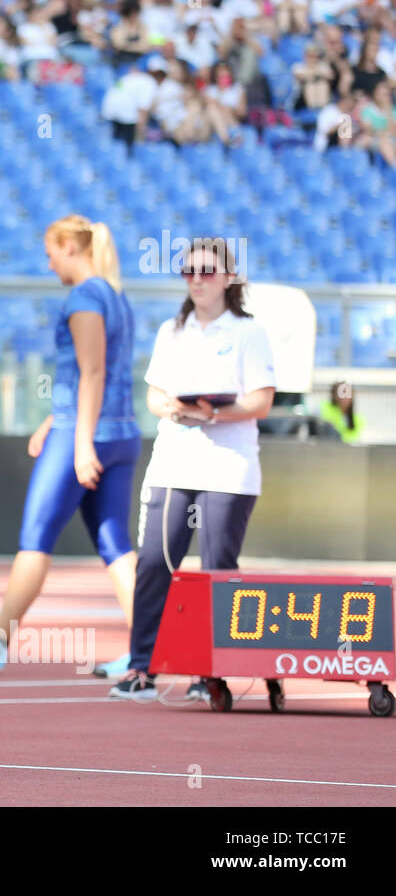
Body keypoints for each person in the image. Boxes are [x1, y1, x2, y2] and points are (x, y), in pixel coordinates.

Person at [0, 216, 141, 674]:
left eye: (51, 254)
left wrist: (81, 441)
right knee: (115, 546)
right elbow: (98, 369)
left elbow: (92, 371)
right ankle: (146, 652)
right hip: (119, 433)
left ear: (69, 246)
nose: (49, 265)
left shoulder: (86, 296)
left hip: (86, 434)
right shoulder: (117, 297)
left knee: (35, 540)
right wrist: (53, 420)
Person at [109, 240, 275, 701]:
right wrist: (177, 409)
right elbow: (155, 396)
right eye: (188, 270)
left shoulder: (248, 331)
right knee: (154, 566)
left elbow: (261, 400)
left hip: (228, 468)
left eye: (206, 270)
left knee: (218, 571)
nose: (197, 278)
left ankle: (211, 673)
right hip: (172, 465)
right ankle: (141, 667)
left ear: (229, 277)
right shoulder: (172, 330)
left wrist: (215, 415)